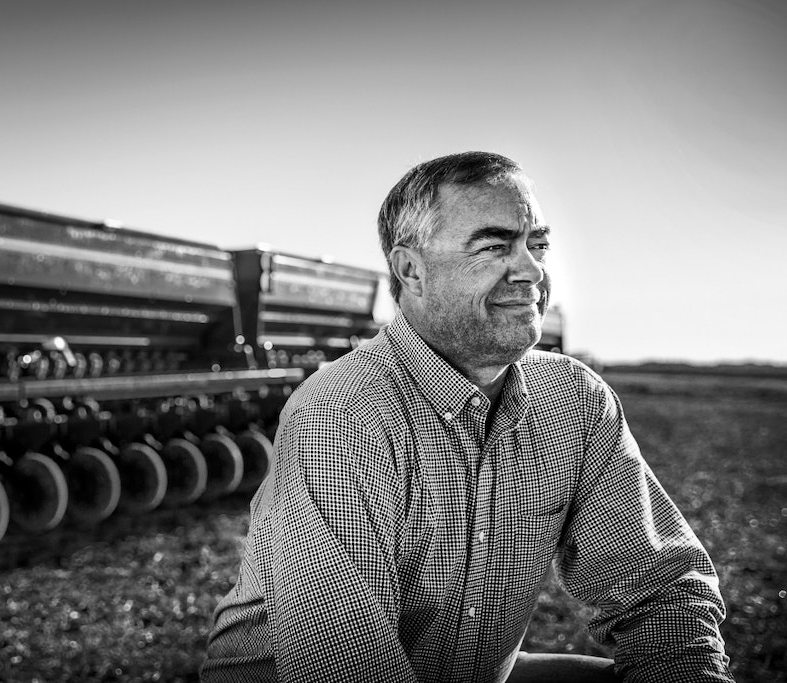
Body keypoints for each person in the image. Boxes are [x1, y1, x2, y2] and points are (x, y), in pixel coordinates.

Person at [201, 152, 733, 682]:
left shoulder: (575, 399)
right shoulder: (344, 413)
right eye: (494, 247)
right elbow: (344, 663)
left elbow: (659, 588)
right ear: (412, 271)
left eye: (537, 244)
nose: (532, 270)